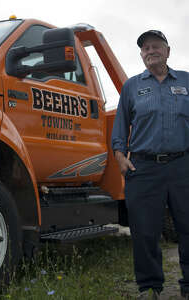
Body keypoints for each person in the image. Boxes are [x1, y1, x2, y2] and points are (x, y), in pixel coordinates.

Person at [111, 30, 189, 300]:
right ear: (141, 54)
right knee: (145, 231)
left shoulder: (187, 81)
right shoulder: (132, 86)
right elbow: (120, 126)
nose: (150, 51)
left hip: (183, 166)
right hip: (143, 169)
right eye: (145, 48)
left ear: (168, 51)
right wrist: (120, 157)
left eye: (156, 46)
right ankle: (150, 287)